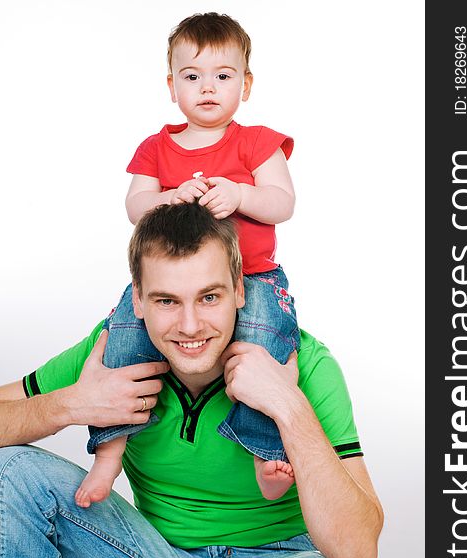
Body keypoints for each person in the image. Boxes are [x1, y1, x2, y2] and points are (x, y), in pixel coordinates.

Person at [0, 203, 402, 558]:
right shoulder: (111, 356)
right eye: (166, 301)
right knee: (10, 469)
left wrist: (287, 404)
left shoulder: (304, 363)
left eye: (209, 297)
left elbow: (357, 554)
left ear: (240, 290)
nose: (190, 326)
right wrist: (71, 403)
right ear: (137, 300)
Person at [80, 12, 301, 507]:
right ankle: (110, 452)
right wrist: (171, 196)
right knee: (124, 342)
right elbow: (135, 207)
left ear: (244, 85)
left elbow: (282, 202)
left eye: (223, 76)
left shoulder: (257, 142)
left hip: (254, 278)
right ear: (171, 85)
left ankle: (265, 454)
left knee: (267, 348)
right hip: (176, 282)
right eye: (192, 76)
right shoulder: (157, 147)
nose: (207, 88)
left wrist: (241, 195)